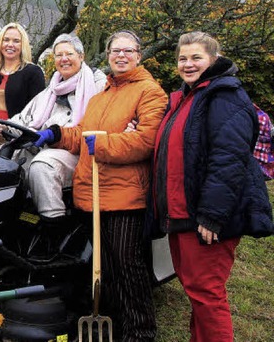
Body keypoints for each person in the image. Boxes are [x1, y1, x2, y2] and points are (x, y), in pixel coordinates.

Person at [37, 30, 167, 341]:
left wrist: (104, 144)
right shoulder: (101, 96)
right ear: (107, 55)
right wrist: (58, 134)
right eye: (115, 51)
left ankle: (140, 332)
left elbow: (145, 141)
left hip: (125, 195)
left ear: (138, 55)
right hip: (93, 193)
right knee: (104, 268)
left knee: (128, 267)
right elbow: (83, 133)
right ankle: (117, 323)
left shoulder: (150, 92)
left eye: (128, 51)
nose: (121, 56)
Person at [146, 31, 273, 342]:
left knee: (207, 294)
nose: (188, 64)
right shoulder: (188, 96)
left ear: (214, 60)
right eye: (183, 58)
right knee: (197, 292)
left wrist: (212, 216)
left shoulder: (225, 97)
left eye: (196, 58)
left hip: (206, 217)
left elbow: (228, 161)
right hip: (181, 212)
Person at [5, 33, 106, 222]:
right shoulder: (51, 89)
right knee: (0, 161)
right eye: (59, 55)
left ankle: (53, 222)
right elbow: (24, 119)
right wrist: (3, 126)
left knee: (43, 165)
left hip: (78, 151)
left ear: (81, 56)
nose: (64, 59)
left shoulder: (98, 87)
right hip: (44, 146)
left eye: (69, 54)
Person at [0, 22, 46, 150]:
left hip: (16, 140)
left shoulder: (33, 73)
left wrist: (9, 127)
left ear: (23, 45)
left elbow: (37, 112)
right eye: (6, 40)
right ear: (0, 43)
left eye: (16, 41)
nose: (10, 45)